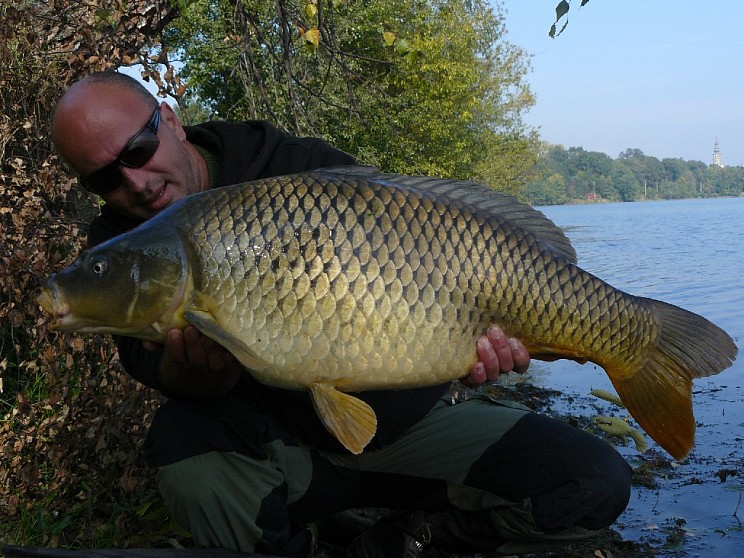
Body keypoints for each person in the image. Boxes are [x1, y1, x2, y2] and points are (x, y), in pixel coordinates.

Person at [52, 71, 632, 557]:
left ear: (171, 121)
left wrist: (473, 356)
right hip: (281, 454)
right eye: (105, 178)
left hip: (410, 428)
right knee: (183, 443)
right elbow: (152, 370)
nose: (135, 182)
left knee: (594, 480)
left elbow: (418, 265)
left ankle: (402, 541)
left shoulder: (289, 164)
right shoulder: (124, 243)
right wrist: (196, 374)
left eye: (137, 150)